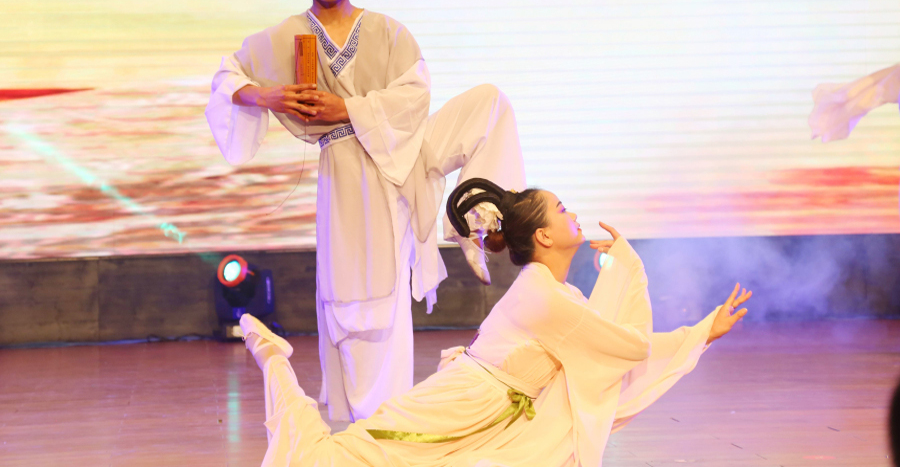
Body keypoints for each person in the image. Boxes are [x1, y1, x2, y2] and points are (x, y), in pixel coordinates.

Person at [205, 0, 525, 422]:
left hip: (404, 154)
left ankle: (475, 217)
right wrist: (269, 94)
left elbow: (414, 96)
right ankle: (365, 423)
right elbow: (226, 77)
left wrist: (348, 108)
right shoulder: (288, 34)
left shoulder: (387, 31)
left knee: (490, 104)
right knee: (358, 301)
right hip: (350, 170)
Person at [238, 177, 753, 467]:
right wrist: (631, 265)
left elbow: (612, 353)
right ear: (544, 236)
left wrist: (701, 333)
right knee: (333, 461)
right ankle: (273, 358)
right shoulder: (543, 297)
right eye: (563, 209)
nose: (573, 214)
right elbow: (628, 347)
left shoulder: (563, 295)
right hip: (460, 402)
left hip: (497, 416)